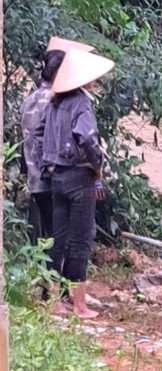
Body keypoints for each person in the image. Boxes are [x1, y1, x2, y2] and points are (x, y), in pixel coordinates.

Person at [41, 46, 114, 319]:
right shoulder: (81, 103)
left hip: (56, 177)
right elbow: (86, 137)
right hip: (78, 177)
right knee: (80, 240)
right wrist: (98, 163)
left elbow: (41, 137)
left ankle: (54, 301)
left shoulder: (54, 101)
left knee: (57, 239)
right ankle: (80, 305)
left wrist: (48, 163)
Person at [20, 48, 68, 243]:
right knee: (58, 234)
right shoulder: (55, 101)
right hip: (51, 176)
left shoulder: (29, 100)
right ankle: (55, 271)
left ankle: (42, 267)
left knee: (45, 230)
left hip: (33, 177)